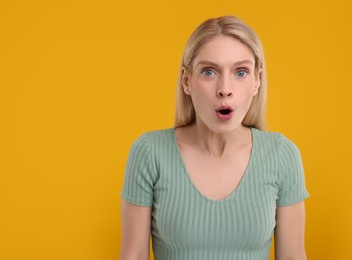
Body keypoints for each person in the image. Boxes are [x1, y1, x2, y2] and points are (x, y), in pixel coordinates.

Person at [120, 16, 309, 260]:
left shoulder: (282, 155)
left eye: (241, 72)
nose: (225, 88)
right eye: (209, 72)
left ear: (257, 80)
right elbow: (133, 255)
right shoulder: (149, 152)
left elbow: (293, 256)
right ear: (186, 80)